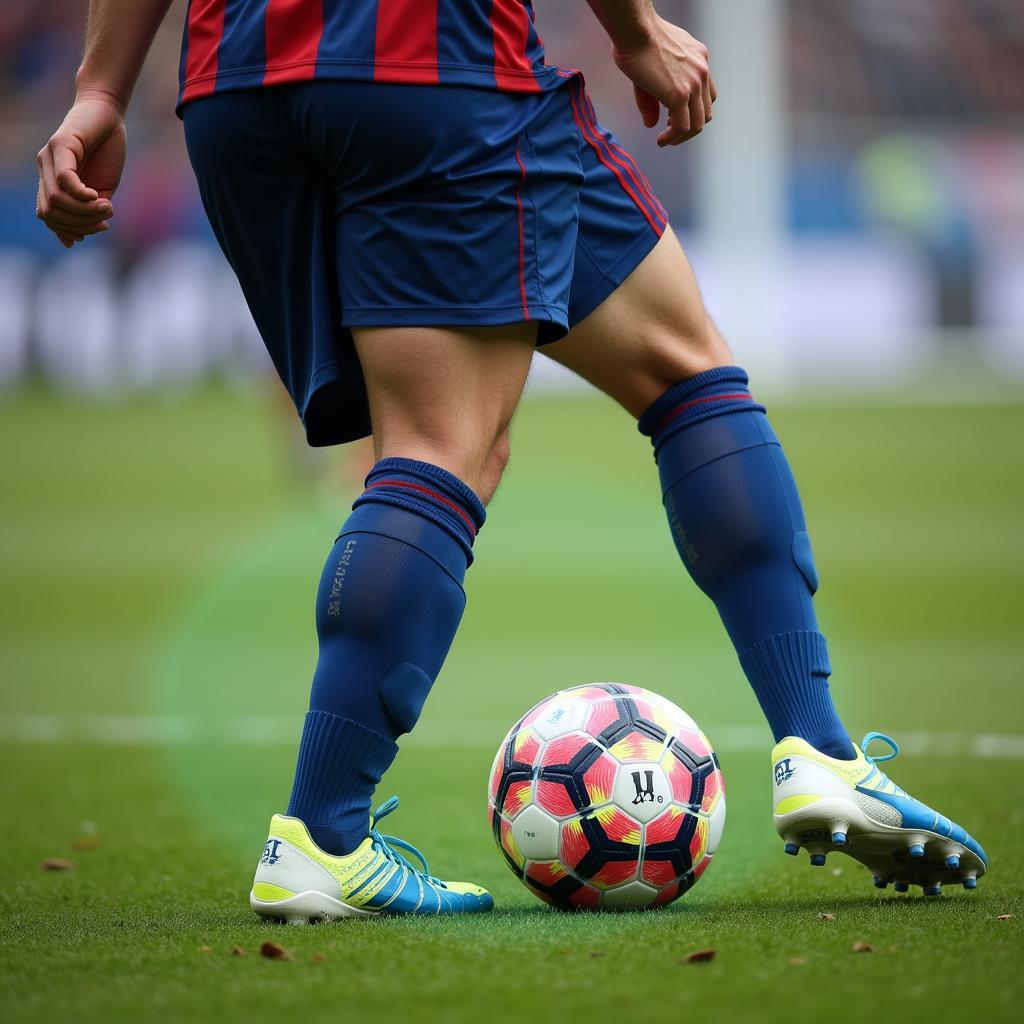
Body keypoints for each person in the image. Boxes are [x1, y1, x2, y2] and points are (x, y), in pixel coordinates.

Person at [37, 0, 986, 918]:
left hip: (236, 87)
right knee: (462, 444)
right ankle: (321, 843)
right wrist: (638, 31)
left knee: (663, 365)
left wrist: (101, 93)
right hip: (435, 59)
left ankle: (817, 750)